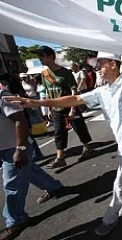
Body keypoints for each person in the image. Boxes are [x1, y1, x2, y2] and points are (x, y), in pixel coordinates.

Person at [3, 51, 122, 237]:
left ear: (113, 65)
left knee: (121, 184)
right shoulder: (102, 91)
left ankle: (110, 218)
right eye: (96, 64)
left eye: (100, 63)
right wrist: (36, 102)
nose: (96, 68)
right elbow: (74, 99)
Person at [0, 88, 63, 240]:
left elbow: (20, 119)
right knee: (30, 172)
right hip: (4, 148)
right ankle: (54, 187)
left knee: (12, 185)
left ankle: (16, 220)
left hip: (14, 147)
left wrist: (20, 149)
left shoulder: (3, 95)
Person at [31, 46, 93, 169]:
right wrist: (49, 107)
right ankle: (60, 158)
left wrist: (73, 109)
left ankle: (87, 147)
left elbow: (74, 90)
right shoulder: (44, 74)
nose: (39, 59)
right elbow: (48, 91)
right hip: (56, 108)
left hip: (68, 105)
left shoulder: (65, 72)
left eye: (41, 56)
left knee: (79, 127)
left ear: (50, 56)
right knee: (59, 132)